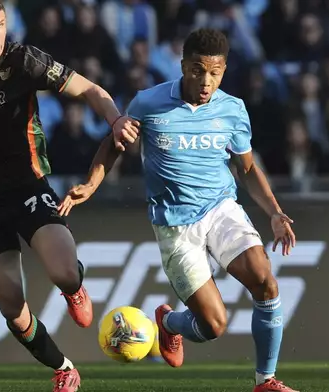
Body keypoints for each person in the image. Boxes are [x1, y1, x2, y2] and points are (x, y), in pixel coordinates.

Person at [0, 1, 138, 391]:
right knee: (13, 309)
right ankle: (64, 367)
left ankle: (74, 287)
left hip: (26, 184)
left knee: (63, 271)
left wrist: (115, 120)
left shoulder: (25, 60)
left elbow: (91, 90)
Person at [59, 28, 299, 392]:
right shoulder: (149, 103)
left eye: (215, 73)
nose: (206, 81)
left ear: (224, 70)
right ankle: (170, 325)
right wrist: (92, 184)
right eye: (198, 70)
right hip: (175, 225)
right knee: (213, 326)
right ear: (184, 66)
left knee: (265, 281)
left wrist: (275, 212)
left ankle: (265, 381)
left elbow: (247, 169)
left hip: (221, 208)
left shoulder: (232, 109)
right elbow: (115, 142)